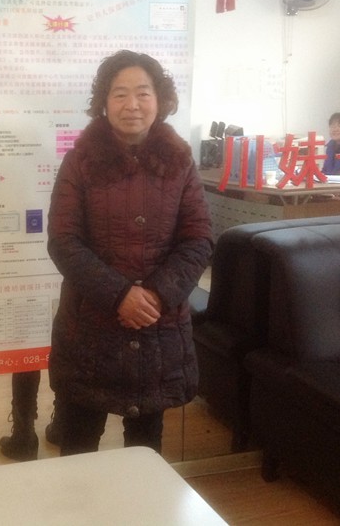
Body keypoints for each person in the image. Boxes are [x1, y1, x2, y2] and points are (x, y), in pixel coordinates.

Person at [46, 50, 214, 456]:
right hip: (91, 328)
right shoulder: (80, 161)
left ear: (160, 100)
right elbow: (63, 240)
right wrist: (120, 295)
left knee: (145, 450)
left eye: (143, 93)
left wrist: (155, 295)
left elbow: (198, 239)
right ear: (104, 103)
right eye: (119, 94)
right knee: (78, 449)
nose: (132, 104)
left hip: (157, 328)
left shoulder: (180, 162)